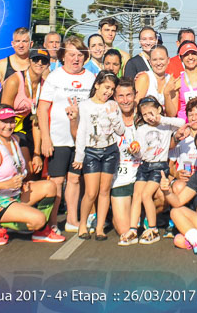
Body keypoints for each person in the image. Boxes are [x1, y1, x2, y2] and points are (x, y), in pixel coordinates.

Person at [0, 104, 62, 245]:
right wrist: (7, 184)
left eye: (11, 121)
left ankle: (40, 231)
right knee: (39, 219)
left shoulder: (15, 140)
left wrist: (23, 181)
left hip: (15, 194)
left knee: (50, 186)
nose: (8, 125)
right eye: (3, 121)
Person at [36, 36, 94, 234]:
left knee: (75, 179)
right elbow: (42, 109)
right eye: (71, 55)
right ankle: (51, 223)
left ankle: (72, 219)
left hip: (80, 140)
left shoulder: (90, 78)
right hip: (58, 138)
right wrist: (45, 138)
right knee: (57, 181)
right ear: (63, 56)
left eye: (79, 55)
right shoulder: (55, 76)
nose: (75, 59)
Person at [124, 96, 186, 245]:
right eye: (144, 115)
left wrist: (161, 119)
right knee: (137, 195)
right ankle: (133, 229)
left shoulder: (165, 126)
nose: (148, 118)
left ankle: (153, 229)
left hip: (159, 167)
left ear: (158, 109)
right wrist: (135, 151)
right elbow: (141, 153)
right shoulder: (141, 129)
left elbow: (182, 123)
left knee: (146, 194)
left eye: (151, 113)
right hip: (144, 165)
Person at [73, 71, 126, 240]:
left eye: (112, 89)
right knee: (91, 192)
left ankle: (100, 227)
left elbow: (121, 130)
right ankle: (83, 224)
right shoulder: (85, 106)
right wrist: (79, 157)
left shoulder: (113, 105)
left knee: (105, 190)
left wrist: (113, 116)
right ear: (97, 85)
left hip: (110, 150)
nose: (109, 92)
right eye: (106, 87)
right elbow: (81, 132)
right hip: (91, 152)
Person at [0, 48, 46, 173]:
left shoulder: (45, 85)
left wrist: (37, 153)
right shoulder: (15, 80)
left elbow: (37, 120)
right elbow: (4, 114)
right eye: (36, 59)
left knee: (30, 168)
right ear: (29, 61)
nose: (39, 63)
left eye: (44, 61)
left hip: (19, 127)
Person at [110, 79, 147, 240]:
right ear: (115, 98)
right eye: (121, 96)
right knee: (124, 231)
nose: (125, 100)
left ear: (135, 95)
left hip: (143, 176)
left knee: (161, 194)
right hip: (120, 178)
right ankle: (117, 215)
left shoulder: (144, 117)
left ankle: (146, 215)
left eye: (129, 95)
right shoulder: (110, 118)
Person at [0, 27, 32, 93]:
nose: (21, 45)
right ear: (12, 44)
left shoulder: (37, 65)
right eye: (17, 41)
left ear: (31, 44)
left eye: (24, 41)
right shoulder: (2, 64)